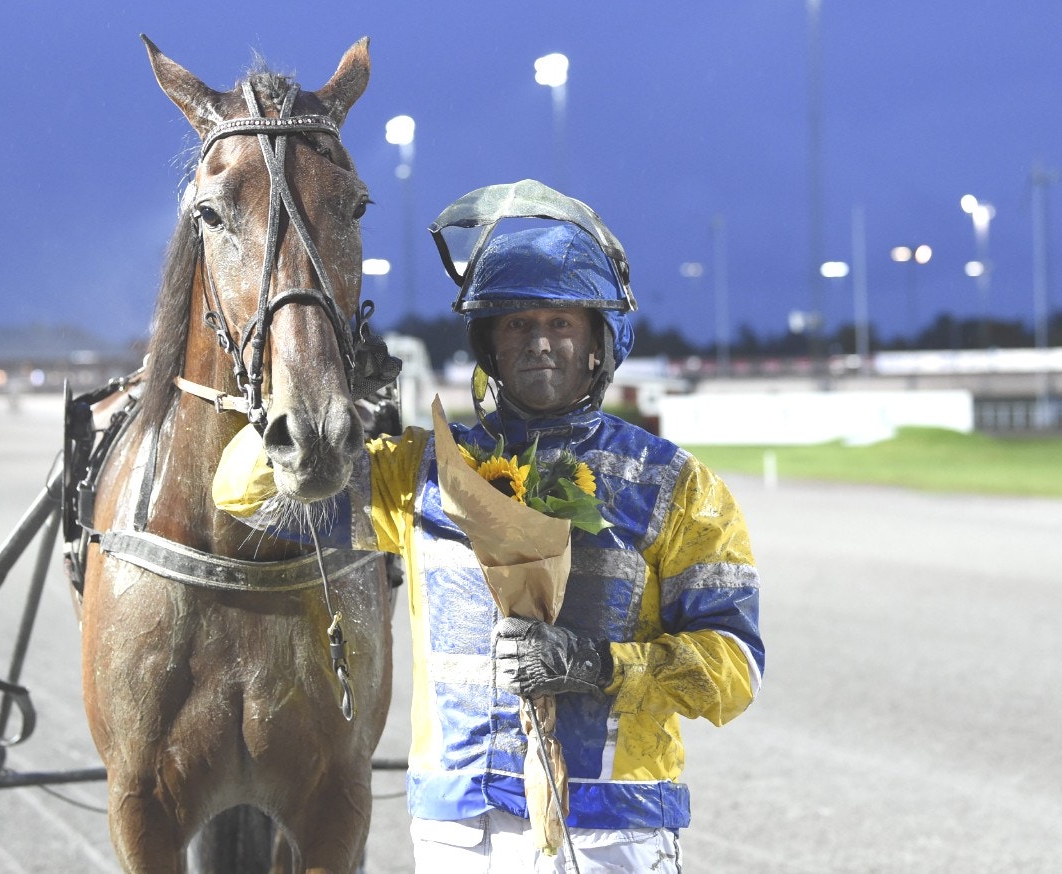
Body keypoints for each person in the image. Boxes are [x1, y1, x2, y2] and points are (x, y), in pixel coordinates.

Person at [214, 180, 763, 872]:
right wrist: (326, 386)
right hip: (458, 827)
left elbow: (736, 667)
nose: (538, 343)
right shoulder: (419, 472)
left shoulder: (676, 487)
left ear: (598, 343)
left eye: (560, 323)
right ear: (490, 348)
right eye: (516, 326)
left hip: (611, 829)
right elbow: (247, 495)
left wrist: (598, 666)